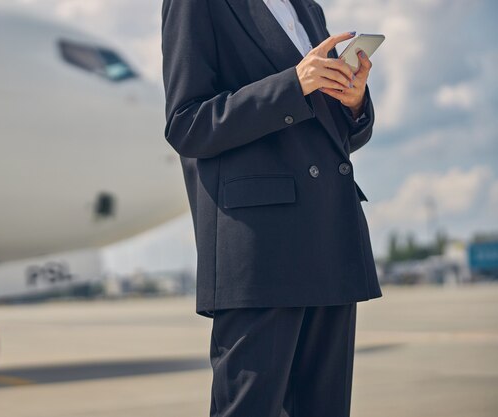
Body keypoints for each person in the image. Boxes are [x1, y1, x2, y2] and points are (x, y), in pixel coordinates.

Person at [161, 0, 383, 415]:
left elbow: (322, 130)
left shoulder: (307, 8)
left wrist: (353, 104)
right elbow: (186, 125)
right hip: (261, 250)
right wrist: (293, 84)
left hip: (330, 234)